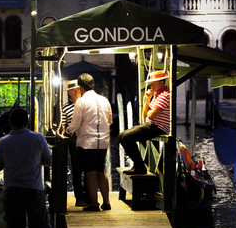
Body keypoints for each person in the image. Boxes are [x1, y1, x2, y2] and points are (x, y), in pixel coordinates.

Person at [0, 108, 59, 228]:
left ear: (10, 123)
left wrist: (10, 164)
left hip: (12, 190)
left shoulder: (2, 142)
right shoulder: (38, 138)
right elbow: (49, 162)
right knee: (42, 227)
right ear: (27, 122)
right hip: (34, 189)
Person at [67, 73, 112, 212]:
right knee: (100, 171)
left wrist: (67, 131)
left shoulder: (81, 101)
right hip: (103, 141)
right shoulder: (104, 100)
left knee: (90, 173)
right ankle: (106, 202)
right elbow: (110, 121)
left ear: (80, 88)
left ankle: (94, 204)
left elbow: (75, 124)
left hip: (87, 142)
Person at [118, 70, 170, 174]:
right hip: (151, 125)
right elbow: (146, 114)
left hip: (157, 127)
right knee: (122, 135)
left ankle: (139, 167)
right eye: (151, 82)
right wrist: (148, 99)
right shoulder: (157, 95)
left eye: (154, 82)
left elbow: (151, 115)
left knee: (125, 137)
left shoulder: (165, 95)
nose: (151, 85)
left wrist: (150, 111)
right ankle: (138, 165)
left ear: (161, 82)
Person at [62, 80, 87, 207]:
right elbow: (62, 126)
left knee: (89, 168)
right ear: (70, 92)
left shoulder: (86, 105)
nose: (77, 91)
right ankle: (79, 197)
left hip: (88, 138)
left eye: (78, 89)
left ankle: (89, 195)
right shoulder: (65, 107)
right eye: (75, 90)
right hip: (74, 139)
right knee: (76, 169)